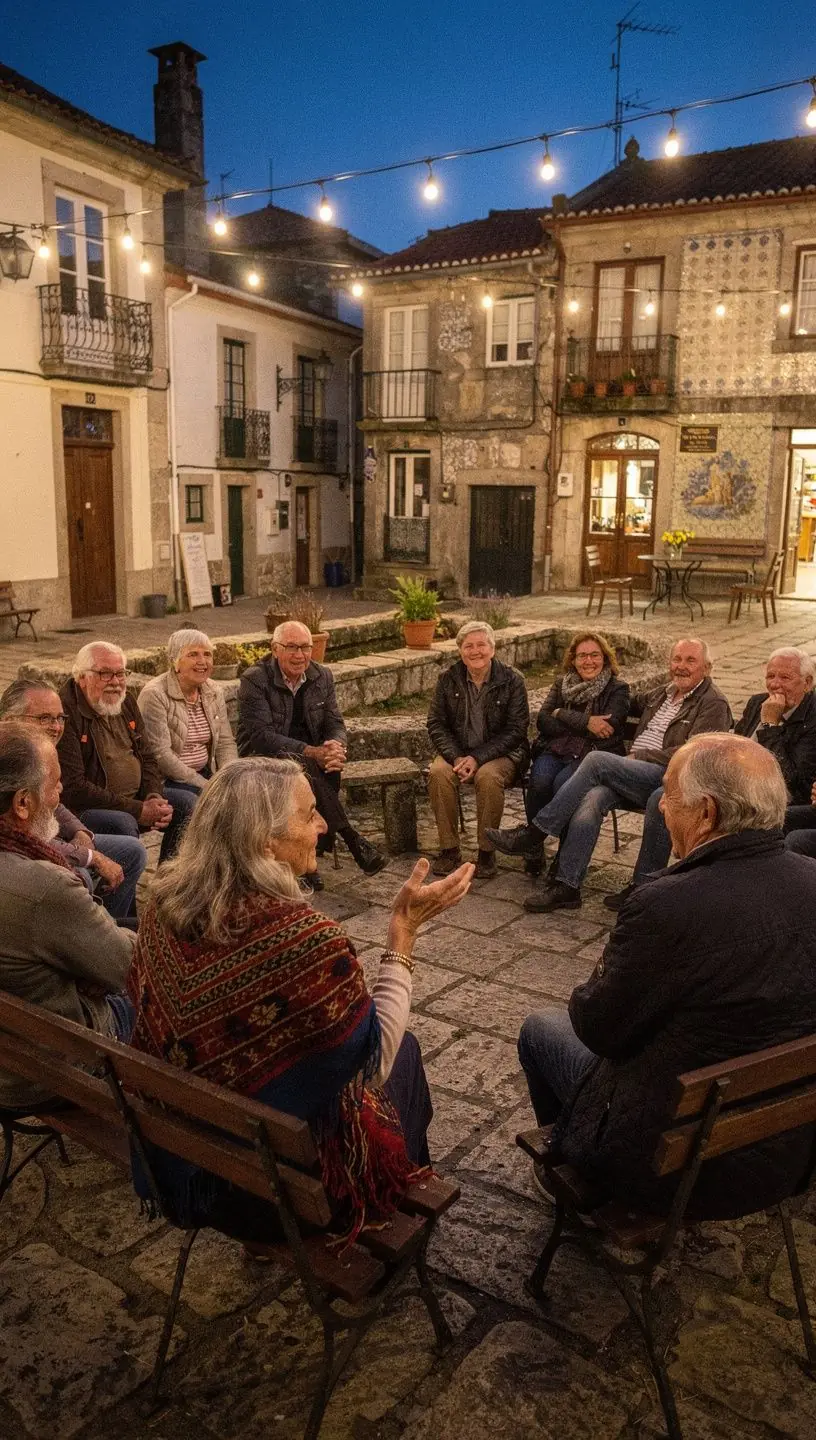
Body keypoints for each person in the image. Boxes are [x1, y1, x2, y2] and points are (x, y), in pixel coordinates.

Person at [127, 756, 473, 1247]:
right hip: (282, 1198)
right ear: (265, 842)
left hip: (190, 1168)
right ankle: (395, 1205)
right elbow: (372, 1064)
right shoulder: (304, 942)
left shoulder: (164, 907)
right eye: (309, 814)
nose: (323, 825)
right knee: (407, 1054)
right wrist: (404, 934)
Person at [517, 733, 816, 1220]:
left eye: (670, 795)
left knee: (540, 1030)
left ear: (706, 813)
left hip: (665, 1167)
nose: (660, 810)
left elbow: (599, 1029)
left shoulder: (666, 905)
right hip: (779, 1155)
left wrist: (604, 972)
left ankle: (576, 1174)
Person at [488, 638, 731, 912]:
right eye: (677, 660)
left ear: (707, 667)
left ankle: (536, 833)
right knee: (591, 799)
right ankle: (568, 885)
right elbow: (622, 700)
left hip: (671, 775)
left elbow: (695, 753)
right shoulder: (663, 693)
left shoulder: (713, 703)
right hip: (635, 774)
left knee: (598, 762)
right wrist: (572, 711)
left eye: (691, 661)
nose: (682, 667)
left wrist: (640, 756)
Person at [606, 646, 816, 909]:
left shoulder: (812, 717)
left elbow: (793, 780)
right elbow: (731, 746)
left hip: (766, 798)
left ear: (807, 683)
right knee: (667, 796)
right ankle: (646, 884)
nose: (775, 684)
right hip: (731, 785)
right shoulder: (756, 703)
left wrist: (771, 725)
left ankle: (706, 888)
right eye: (770, 676)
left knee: (703, 810)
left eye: (784, 678)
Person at [0, 723, 135, 1108]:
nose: (60, 797)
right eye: (55, 785)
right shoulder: (44, 887)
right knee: (168, 992)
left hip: (13, 1051)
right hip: (45, 1073)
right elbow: (127, 969)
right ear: (22, 803)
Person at [237, 620, 386, 884]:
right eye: (291, 647)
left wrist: (335, 746)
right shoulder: (255, 679)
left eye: (305, 647)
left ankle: (308, 861)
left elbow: (334, 722)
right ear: (275, 649)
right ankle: (350, 840)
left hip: (310, 757)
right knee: (304, 772)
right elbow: (262, 737)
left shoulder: (321, 675)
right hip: (263, 757)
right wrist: (311, 751)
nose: (300, 655)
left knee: (327, 768)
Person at [0, 675, 147, 922]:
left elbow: (55, 800)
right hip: (23, 848)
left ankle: (108, 923)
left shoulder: (41, 749)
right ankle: (86, 934)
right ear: (9, 720)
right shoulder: (12, 758)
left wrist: (81, 832)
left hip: (50, 831)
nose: (56, 727)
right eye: (44, 718)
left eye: (60, 718)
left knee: (132, 851)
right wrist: (91, 856)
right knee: (81, 874)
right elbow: (22, 835)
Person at [58, 641, 195, 864]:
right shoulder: (65, 712)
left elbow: (147, 755)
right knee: (122, 823)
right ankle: (119, 891)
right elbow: (74, 787)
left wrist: (154, 796)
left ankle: (169, 883)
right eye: (105, 674)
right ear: (82, 676)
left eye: (121, 674)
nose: (115, 682)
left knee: (186, 804)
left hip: (137, 799)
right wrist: (138, 809)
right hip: (87, 809)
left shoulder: (126, 701)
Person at [427, 621, 530, 879]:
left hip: (502, 754)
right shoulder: (448, 679)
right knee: (438, 772)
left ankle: (486, 852)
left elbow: (516, 730)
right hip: (459, 752)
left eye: (481, 645)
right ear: (460, 651)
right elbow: (436, 723)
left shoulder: (513, 680)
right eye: (468, 646)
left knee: (487, 776)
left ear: (492, 649)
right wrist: (456, 757)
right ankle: (449, 849)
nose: (475, 651)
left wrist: (478, 757)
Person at [524, 632, 630, 877]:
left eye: (595, 655)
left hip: (592, 755)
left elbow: (606, 729)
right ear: (573, 659)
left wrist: (562, 713)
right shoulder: (563, 683)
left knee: (565, 785)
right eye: (582, 655)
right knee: (539, 781)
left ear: (605, 658)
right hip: (557, 749)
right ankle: (533, 847)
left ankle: (563, 856)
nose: (588, 661)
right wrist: (585, 722)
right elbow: (543, 720)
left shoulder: (618, 688)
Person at [137, 628, 238, 796]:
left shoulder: (213, 690)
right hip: (168, 780)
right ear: (175, 662)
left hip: (206, 773)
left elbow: (225, 743)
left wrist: (229, 776)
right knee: (197, 802)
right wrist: (205, 785)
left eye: (207, 654)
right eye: (193, 655)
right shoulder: (154, 695)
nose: (202, 661)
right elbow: (161, 755)